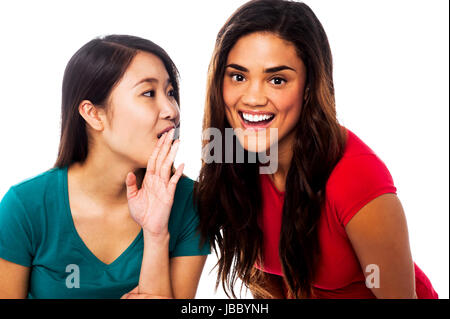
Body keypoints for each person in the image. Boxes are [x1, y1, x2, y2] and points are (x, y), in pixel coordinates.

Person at [194, 0, 438, 299]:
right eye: (239, 76)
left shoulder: (355, 177)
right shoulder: (237, 164)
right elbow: (270, 290)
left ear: (309, 86)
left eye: (277, 80)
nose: (253, 98)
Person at [0, 35, 209, 299]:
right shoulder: (24, 207)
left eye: (170, 93)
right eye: (148, 93)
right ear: (93, 114)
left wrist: (156, 234)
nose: (171, 110)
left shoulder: (189, 202)